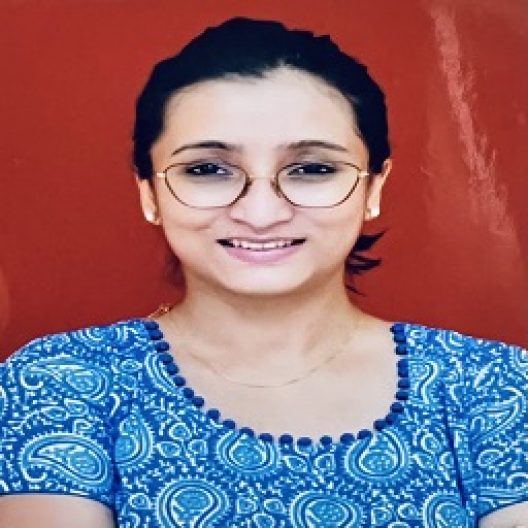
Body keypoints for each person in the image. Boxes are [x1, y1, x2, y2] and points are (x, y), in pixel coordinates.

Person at [0, 16, 526, 528]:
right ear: (150, 195)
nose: (261, 213)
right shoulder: (62, 382)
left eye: (312, 168)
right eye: (207, 169)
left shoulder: (493, 385)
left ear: (373, 188)